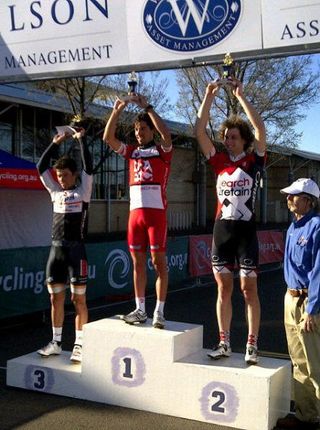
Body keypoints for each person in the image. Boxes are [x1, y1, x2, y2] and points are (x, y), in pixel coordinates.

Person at [195, 78, 266, 364]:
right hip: (221, 232)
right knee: (223, 288)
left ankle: (252, 344)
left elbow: (261, 129)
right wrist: (209, 96)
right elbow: (199, 131)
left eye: (233, 136)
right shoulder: (219, 160)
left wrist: (241, 96)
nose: (228, 140)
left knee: (249, 290)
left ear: (244, 140)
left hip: (246, 234)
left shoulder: (253, 160)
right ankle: (224, 342)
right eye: (226, 136)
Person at [103, 94, 172, 329]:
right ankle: (140, 309)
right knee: (138, 264)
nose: (139, 132)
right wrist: (116, 111)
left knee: (158, 262)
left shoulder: (162, 151)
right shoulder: (132, 152)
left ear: (150, 131)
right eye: (136, 129)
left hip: (156, 216)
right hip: (135, 216)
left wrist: (148, 108)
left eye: (143, 128)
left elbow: (167, 135)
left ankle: (159, 312)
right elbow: (108, 138)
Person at [36, 126, 93, 364]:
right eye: (58, 176)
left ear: (74, 175)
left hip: (76, 251)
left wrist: (81, 140)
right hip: (56, 251)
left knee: (78, 300)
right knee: (54, 299)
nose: (61, 179)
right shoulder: (54, 192)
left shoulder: (83, 192)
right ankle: (56, 342)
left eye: (65, 175)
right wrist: (56, 142)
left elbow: (89, 166)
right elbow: (40, 167)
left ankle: (80, 344)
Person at [277, 178, 320, 430]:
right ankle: (306, 415)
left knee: (315, 364)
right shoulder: (293, 226)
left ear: (309, 200)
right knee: (299, 362)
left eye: (294, 195)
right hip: (290, 299)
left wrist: (312, 310)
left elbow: (318, 272)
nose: (288, 199)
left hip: (309, 305)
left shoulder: (316, 226)